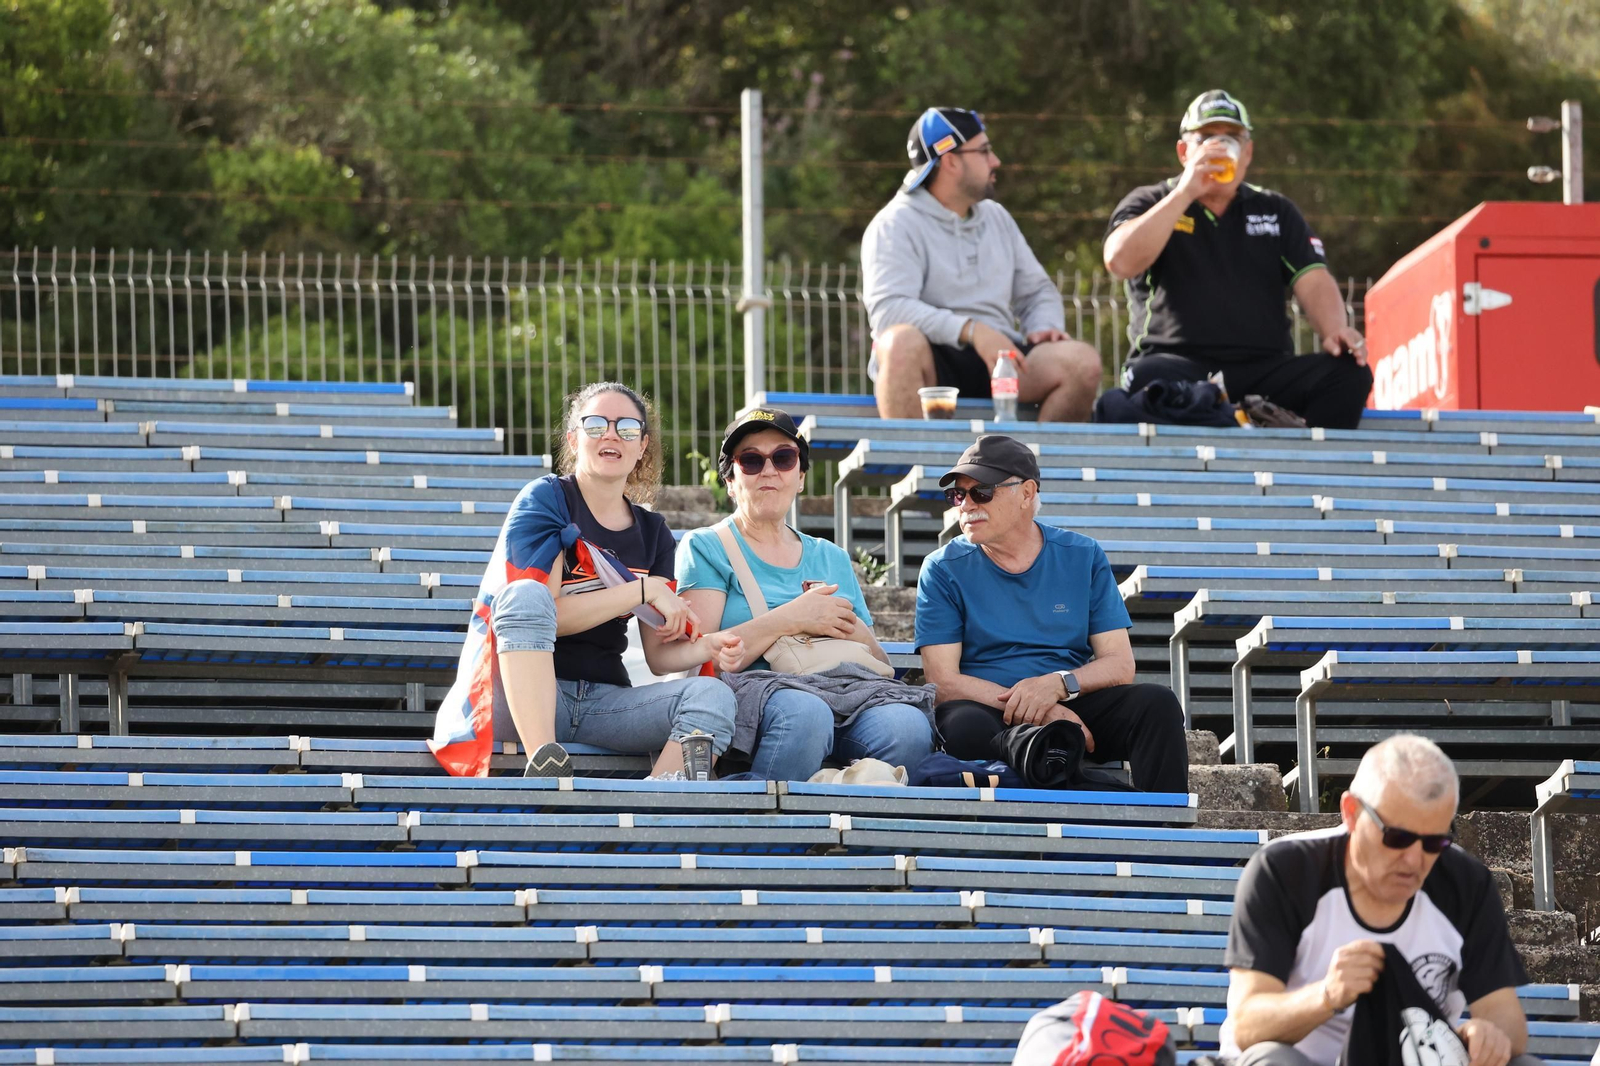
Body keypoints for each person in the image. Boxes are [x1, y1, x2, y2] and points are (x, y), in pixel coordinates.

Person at [429, 382, 742, 780]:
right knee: (523, 595)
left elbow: (660, 658)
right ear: (574, 438)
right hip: (528, 699)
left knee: (712, 696)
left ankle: (656, 804)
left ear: (642, 446)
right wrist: (642, 589)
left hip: (607, 704)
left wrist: (707, 647)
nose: (611, 435)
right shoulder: (546, 499)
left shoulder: (654, 532)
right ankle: (544, 762)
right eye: (596, 425)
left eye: (627, 428)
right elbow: (544, 615)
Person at [1221, 735, 1539, 1066]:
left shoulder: (1465, 882)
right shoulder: (1285, 870)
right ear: (1351, 814)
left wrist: (1487, 1035)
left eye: (1435, 842)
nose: (1415, 861)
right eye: (1397, 837)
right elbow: (1248, 1025)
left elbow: (1506, 1018)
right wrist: (1327, 995)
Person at [914, 434, 1188, 793]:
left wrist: (1057, 686)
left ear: (1027, 493)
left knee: (1156, 704)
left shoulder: (1082, 555)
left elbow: (1119, 665)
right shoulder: (942, 567)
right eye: (957, 494)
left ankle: (1166, 832)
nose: (965, 505)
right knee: (964, 728)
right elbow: (944, 681)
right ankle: (1099, 794)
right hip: (990, 706)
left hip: (1072, 700)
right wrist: (1039, 709)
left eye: (980, 491)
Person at [676, 407, 936, 781]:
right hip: (755, 694)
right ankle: (771, 830)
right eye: (751, 461)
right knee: (805, 713)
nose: (769, 471)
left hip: (846, 688)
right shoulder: (705, 545)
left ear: (799, 477)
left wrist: (848, 626)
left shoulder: (830, 556)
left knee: (908, 726)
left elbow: (876, 658)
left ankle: (846, 830)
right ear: (731, 482)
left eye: (783, 458)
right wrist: (795, 617)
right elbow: (705, 658)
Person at [1102, 90, 1372, 430]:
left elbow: (1313, 277)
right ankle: (1240, 419)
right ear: (1184, 151)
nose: (1219, 147)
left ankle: (1298, 465)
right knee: (1144, 381)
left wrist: (1336, 331)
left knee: (1350, 373)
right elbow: (1119, 261)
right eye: (1206, 138)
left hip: (1260, 371)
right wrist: (1186, 192)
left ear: (1248, 152)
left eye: (1231, 138)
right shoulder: (1151, 200)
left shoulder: (1275, 209)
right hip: (1174, 367)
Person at [862, 106, 1103, 422]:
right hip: (934, 367)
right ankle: (915, 468)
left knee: (1082, 362)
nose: (995, 161)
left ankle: (1030, 469)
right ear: (950, 161)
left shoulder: (996, 217)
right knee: (897, 343)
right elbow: (889, 312)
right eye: (984, 151)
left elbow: (1038, 292)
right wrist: (973, 331)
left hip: (1003, 363)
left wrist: (1044, 326)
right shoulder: (894, 224)